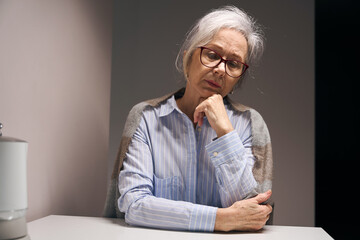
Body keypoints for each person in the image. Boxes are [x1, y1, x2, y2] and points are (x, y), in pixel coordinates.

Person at [104, 5, 273, 232]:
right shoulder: (146, 118)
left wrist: (225, 132)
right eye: (212, 55)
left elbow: (252, 213)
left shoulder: (250, 124)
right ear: (188, 59)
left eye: (233, 63)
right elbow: (134, 205)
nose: (221, 69)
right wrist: (220, 219)